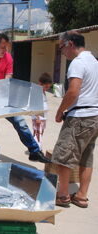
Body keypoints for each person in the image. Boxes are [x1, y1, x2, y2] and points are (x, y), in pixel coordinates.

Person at [0, 33, 50, 163]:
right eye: (3, 47)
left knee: (20, 122)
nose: (5, 50)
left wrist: (3, 94)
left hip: (4, 96)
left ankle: (34, 151)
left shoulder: (7, 57)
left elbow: (8, 77)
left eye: (7, 47)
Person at [52, 31, 98, 208]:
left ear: (70, 44)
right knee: (86, 157)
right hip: (94, 116)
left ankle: (63, 195)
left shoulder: (77, 63)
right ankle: (81, 196)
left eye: (62, 47)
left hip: (80, 117)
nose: (62, 51)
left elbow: (73, 91)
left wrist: (60, 111)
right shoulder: (94, 61)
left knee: (63, 156)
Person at [31, 73, 53, 149]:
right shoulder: (37, 92)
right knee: (37, 133)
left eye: (49, 86)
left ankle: (36, 147)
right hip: (38, 117)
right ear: (40, 83)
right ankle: (36, 149)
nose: (47, 88)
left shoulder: (43, 91)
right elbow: (33, 105)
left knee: (40, 133)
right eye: (46, 86)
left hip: (43, 117)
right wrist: (37, 117)